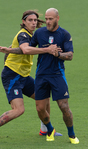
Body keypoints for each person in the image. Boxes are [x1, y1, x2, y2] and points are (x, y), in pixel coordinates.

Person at [0, 10, 62, 144]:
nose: (33, 23)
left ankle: (45, 129)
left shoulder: (30, 35)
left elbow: (17, 49)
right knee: (19, 110)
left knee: (44, 96)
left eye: (35, 20)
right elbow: (26, 50)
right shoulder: (23, 34)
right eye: (30, 20)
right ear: (23, 22)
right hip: (13, 76)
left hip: (23, 76)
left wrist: (9, 51)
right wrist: (47, 50)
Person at [30, 8, 79, 144]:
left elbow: (70, 56)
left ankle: (72, 134)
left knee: (64, 107)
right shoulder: (39, 33)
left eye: (50, 19)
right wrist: (10, 49)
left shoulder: (64, 34)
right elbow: (28, 48)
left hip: (57, 75)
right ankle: (50, 130)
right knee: (40, 108)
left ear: (57, 18)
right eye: (46, 18)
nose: (47, 21)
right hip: (41, 75)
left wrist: (57, 54)